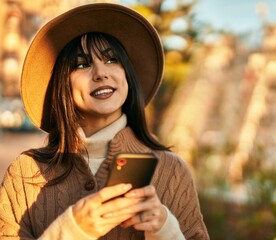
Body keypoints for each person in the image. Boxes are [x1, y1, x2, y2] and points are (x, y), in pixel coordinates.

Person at [0, 3, 209, 240]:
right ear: (62, 85)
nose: (101, 73)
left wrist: (165, 230)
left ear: (127, 74)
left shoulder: (172, 171)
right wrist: (71, 231)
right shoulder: (25, 173)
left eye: (111, 60)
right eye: (82, 64)